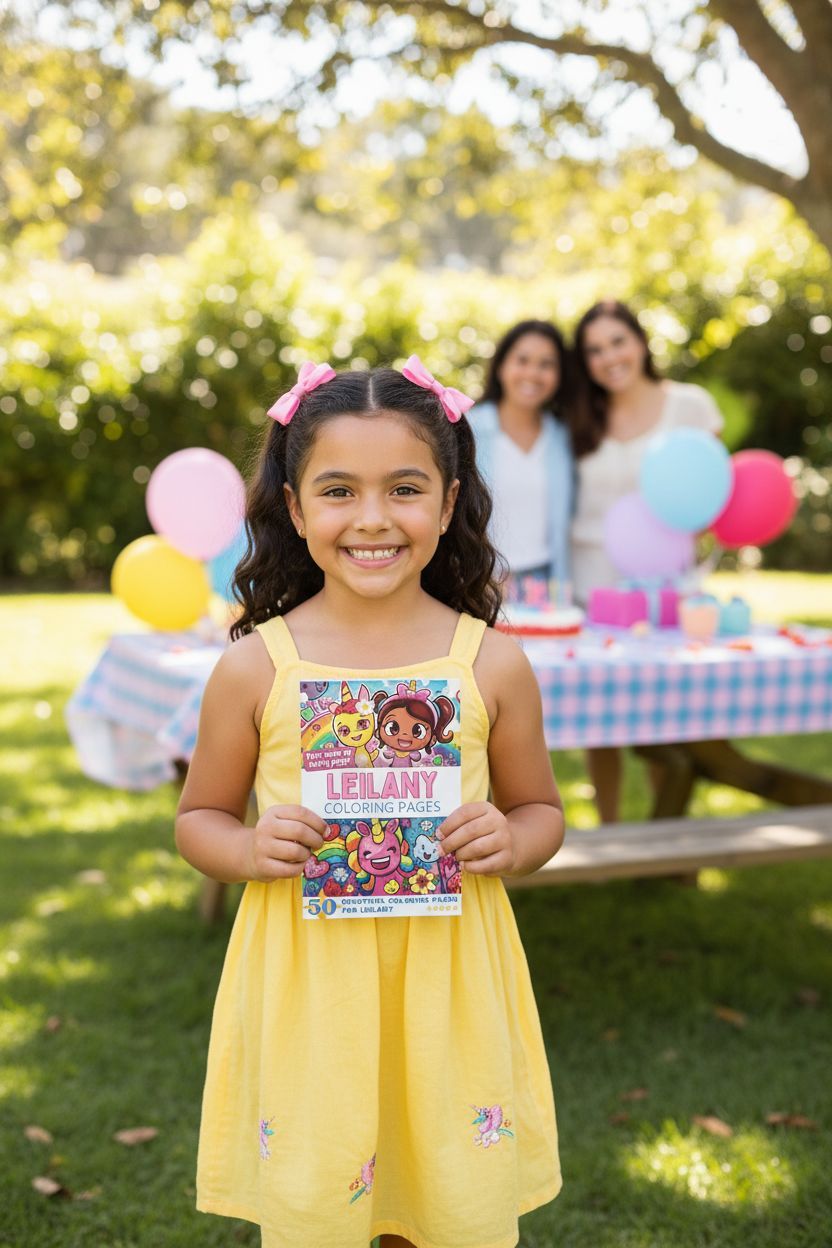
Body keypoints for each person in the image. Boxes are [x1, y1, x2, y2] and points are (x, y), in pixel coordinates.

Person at [175, 355, 565, 1248]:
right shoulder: (255, 668)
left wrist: (510, 834)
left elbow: (542, 810)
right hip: (315, 989)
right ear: (296, 506)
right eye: (340, 491)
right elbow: (199, 818)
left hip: (451, 981)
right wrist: (245, 850)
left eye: (405, 488)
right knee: (326, 1193)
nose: (374, 519)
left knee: (444, 1196)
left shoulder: (491, 663)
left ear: (450, 498)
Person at [571, 299, 724, 821]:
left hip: (666, 590)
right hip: (592, 587)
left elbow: (711, 492)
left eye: (618, 341)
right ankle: (610, 833)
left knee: (669, 720)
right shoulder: (578, 417)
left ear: (640, 342)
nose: (609, 357)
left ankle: (667, 837)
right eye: (594, 350)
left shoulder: (689, 406)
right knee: (600, 726)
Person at [468, 320, 575, 600]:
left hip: (545, 589)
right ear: (502, 366)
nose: (533, 373)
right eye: (522, 360)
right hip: (479, 585)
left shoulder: (564, 437)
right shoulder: (468, 430)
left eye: (546, 364)